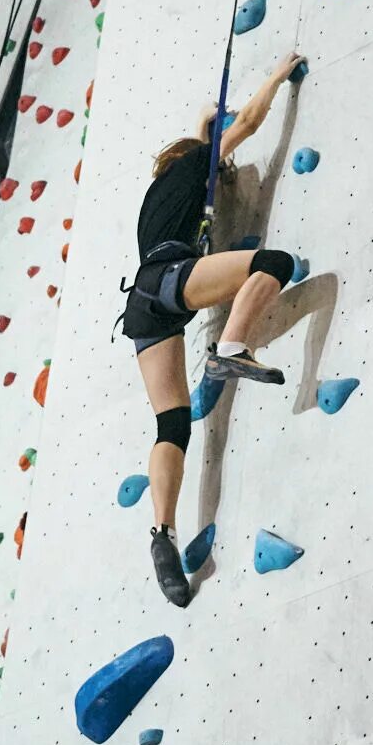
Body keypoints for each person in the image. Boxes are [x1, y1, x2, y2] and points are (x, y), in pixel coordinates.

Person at [120, 53, 305, 605]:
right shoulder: (194, 162)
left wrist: (203, 125)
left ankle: (162, 533)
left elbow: (207, 127)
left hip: (143, 307)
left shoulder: (160, 191)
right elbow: (243, 125)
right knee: (272, 264)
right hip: (170, 279)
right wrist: (278, 76)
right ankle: (231, 346)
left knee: (172, 424)